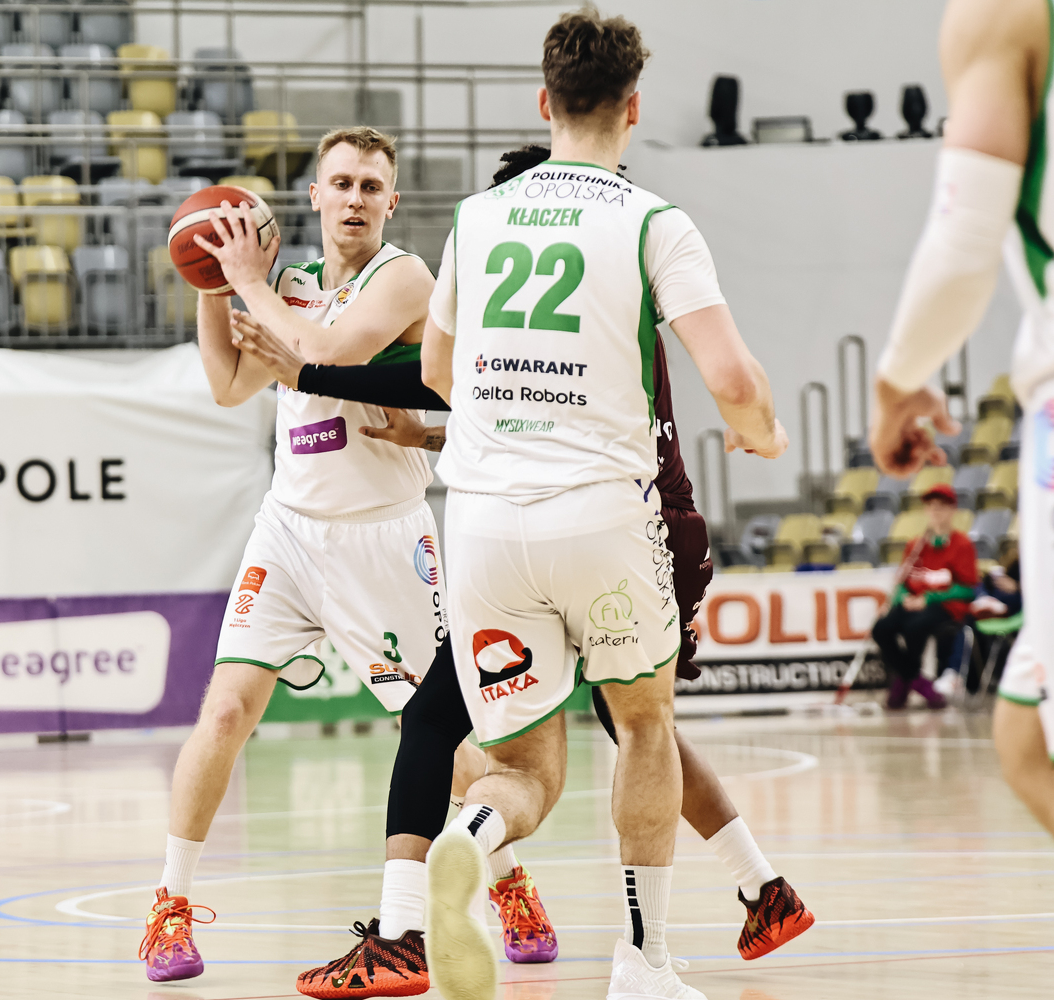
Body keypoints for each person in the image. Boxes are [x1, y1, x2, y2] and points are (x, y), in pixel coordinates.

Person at [233, 141, 813, 970]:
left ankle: (419, 926)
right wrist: (426, 435)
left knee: (485, 726)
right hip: (629, 522)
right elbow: (517, 411)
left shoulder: (516, 267)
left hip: (600, 527)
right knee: (632, 722)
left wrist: (316, 370)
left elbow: (444, 377)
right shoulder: (606, 277)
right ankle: (758, 889)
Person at [418, 10, 787, 1000]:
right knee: (644, 723)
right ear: (633, 108)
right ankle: (641, 962)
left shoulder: (475, 218)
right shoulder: (653, 221)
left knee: (523, 767)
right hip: (598, 517)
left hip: (482, 523)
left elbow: (436, 370)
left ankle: (472, 836)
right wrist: (758, 429)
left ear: (543, 102)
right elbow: (730, 375)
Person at [139, 126, 486, 983]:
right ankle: (170, 905)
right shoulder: (287, 287)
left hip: (384, 537)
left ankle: (508, 882)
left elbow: (330, 354)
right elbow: (228, 386)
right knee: (226, 712)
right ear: (315, 197)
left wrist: (249, 283)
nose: (356, 198)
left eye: (371, 185)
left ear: (391, 201)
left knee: (435, 735)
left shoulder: (404, 277)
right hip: (289, 530)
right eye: (342, 183)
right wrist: (214, 285)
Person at [867, 0, 1054, 834]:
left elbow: (965, 238)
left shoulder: (1004, 13)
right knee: (1022, 737)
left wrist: (897, 382)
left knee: (1031, 744)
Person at [870, 484, 978, 709]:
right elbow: (903, 583)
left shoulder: (962, 544)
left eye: (941, 506)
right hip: (915, 602)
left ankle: (904, 682)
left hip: (945, 605)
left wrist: (927, 599)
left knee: (914, 627)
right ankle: (916, 680)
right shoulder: (915, 545)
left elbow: (967, 588)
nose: (935, 511)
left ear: (952, 510)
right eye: (931, 506)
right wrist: (902, 599)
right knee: (881, 628)